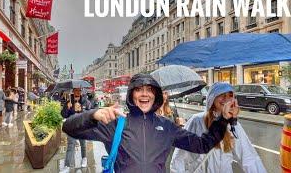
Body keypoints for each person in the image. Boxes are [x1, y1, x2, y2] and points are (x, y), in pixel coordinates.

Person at [62, 73, 238, 173]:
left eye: (149, 90)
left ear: (156, 96)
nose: (144, 94)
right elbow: (68, 127)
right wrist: (92, 115)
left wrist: (223, 120)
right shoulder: (116, 123)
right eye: (139, 90)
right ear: (132, 95)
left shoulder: (167, 126)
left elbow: (202, 145)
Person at [170, 82, 266, 173]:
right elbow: (180, 155)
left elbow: (248, 157)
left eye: (230, 96)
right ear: (212, 97)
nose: (226, 99)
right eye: (222, 95)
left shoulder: (232, 125)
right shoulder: (197, 120)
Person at [61, 88, 90, 170]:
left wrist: (81, 111)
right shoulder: (69, 102)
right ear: (73, 91)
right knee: (71, 145)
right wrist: (67, 107)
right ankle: (67, 165)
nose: (77, 92)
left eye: (79, 90)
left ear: (81, 92)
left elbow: (90, 113)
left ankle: (84, 158)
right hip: (72, 126)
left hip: (82, 126)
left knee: (83, 144)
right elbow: (63, 115)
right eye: (76, 90)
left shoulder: (85, 102)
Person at [156, 90, 185, 173]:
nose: (164, 96)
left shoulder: (172, 110)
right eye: (162, 93)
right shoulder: (150, 112)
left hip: (171, 148)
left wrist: (179, 124)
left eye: (166, 93)